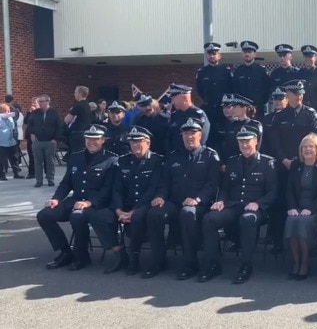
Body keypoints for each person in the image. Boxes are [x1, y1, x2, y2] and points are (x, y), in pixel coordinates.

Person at [200, 125, 277, 284]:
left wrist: (258, 203)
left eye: (247, 141)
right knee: (209, 219)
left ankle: (246, 265)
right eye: (241, 142)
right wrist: (221, 200)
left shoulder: (267, 163)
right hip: (234, 205)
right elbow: (226, 188)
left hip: (256, 209)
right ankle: (214, 263)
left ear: (255, 141)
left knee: (247, 220)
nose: (244, 145)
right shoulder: (233, 162)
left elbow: (273, 193)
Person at [147, 118, 220, 280]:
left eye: (192, 133)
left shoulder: (210, 156)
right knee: (154, 213)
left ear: (200, 135)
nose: (189, 137)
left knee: (187, 213)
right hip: (174, 202)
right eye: (186, 134)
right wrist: (160, 197)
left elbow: (213, 185)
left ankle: (190, 262)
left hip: (199, 204)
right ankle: (158, 260)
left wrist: (198, 199)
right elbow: (164, 183)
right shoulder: (173, 156)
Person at [36, 125, 118, 270]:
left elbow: (108, 189)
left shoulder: (111, 159)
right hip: (75, 200)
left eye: (96, 139)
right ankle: (65, 252)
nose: (92, 142)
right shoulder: (76, 157)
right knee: (44, 214)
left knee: (78, 216)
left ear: (103, 140)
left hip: (98, 204)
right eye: (89, 139)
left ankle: (82, 256)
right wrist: (56, 199)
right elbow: (66, 183)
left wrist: (89, 202)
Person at [269, 79, 317, 253]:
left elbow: (315, 139)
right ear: (288, 95)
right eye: (294, 93)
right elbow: (274, 142)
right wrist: (283, 159)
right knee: (283, 203)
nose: (298, 96)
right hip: (284, 166)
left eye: (300, 93)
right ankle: (280, 242)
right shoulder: (280, 116)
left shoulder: (310, 114)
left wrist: (301, 161)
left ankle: (309, 242)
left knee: (304, 202)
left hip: (304, 166)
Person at [110, 126, 164, 275]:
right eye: (132, 143)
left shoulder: (157, 161)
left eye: (139, 142)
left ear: (148, 143)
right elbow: (117, 189)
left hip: (146, 204)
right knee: (104, 216)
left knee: (138, 217)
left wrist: (134, 211)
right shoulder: (123, 161)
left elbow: (153, 189)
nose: (135, 145)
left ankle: (134, 257)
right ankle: (119, 253)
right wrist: (119, 209)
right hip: (125, 205)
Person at [284, 133, 317, 280]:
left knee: (302, 222)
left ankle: (305, 263)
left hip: (316, 209)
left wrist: (311, 209)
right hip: (297, 208)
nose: (307, 149)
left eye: (311, 146)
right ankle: (296, 262)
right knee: (292, 220)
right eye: (304, 147)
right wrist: (292, 207)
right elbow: (289, 189)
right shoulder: (296, 165)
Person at [210, 94, 263, 162]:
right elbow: (226, 146)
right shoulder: (232, 125)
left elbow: (257, 147)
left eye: (235, 107)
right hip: (232, 163)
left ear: (244, 108)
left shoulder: (255, 125)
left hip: (251, 162)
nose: (233, 109)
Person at [26, 95, 64, 187]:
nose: (40, 103)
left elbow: (59, 126)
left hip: (50, 141)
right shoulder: (35, 113)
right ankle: (39, 180)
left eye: (42, 101)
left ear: (48, 101)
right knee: (38, 161)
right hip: (37, 141)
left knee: (50, 161)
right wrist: (32, 134)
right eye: (39, 102)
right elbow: (29, 124)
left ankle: (50, 179)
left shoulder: (54, 112)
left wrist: (55, 138)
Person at [196, 42, 233, 125]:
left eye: (214, 53)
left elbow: (231, 89)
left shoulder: (226, 71)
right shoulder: (202, 72)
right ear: (206, 56)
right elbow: (199, 90)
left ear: (219, 56)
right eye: (209, 54)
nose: (212, 56)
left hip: (223, 109)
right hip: (208, 108)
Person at [166, 83, 210, 153]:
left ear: (184, 98)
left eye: (174, 98)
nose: (172, 102)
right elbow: (170, 138)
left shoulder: (198, 114)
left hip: (195, 156)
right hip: (177, 156)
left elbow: (203, 138)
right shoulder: (175, 115)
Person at [232, 41, 272, 116]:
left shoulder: (261, 71)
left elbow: (267, 89)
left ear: (254, 54)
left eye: (249, 52)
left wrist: (259, 103)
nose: (247, 54)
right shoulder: (238, 71)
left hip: (257, 109)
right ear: (242, 54)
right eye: (245, 52)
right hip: (241, 110)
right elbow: (234, 90)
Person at [298, 45, 317, 117]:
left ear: (315, 58)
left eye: (310, 57)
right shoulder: (299, 73)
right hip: (302, 109)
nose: (308, 59)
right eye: (306, 57)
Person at [260, 87, 288, 156]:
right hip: (269, 156)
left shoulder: (291, 117)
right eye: (275, 99)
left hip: (286, 157)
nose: (277, 101)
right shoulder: (267, 118)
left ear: (287, 100)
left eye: (280, 99)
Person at [64, 86, 92, 153]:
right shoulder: (88, 106)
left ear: (80, 93)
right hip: (85, 133)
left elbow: (66, 120)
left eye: (75, 92)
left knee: (75, 153)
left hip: (77, 133)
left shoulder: (77, 106)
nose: (74, 94)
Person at [0, 103, 23, 180]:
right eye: (7, 111)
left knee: (14, 158)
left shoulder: (10, 119)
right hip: (2, 143)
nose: (9, 112)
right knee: (2, 160)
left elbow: (14, 128)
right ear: (1, 111)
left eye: (9, 110)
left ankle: (16, 173)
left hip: (12, 142)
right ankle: (2, 175)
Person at [24, 97, 40, 179]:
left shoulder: (40, 113)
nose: (33, 104)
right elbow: (25, 121)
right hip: (30, 136)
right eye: (32, 103)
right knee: (31, 154)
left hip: (39, 136)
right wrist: (29, 112)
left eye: (35, 103)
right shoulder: (30, 112)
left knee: (38, 155)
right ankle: (31, 172)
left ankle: (40, 172)